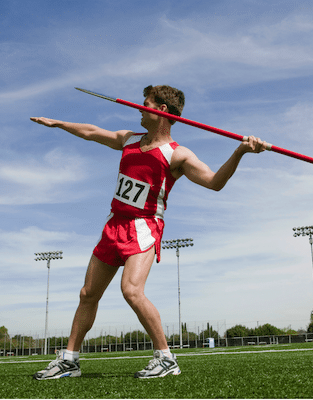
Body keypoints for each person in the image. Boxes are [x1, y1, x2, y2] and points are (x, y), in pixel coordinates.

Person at [30, 85, 268, 379]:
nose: (138, 109)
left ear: (161, 111)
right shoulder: (128, 140)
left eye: (145, 104)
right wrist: (58, 123)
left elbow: (214, 182)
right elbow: (91, 131)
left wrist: (240, 151)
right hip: (114, 223)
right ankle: (69, 360)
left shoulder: (177, 155)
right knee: (88, 294)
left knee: (131, 290)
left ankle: (166, 358)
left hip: (144, 226)